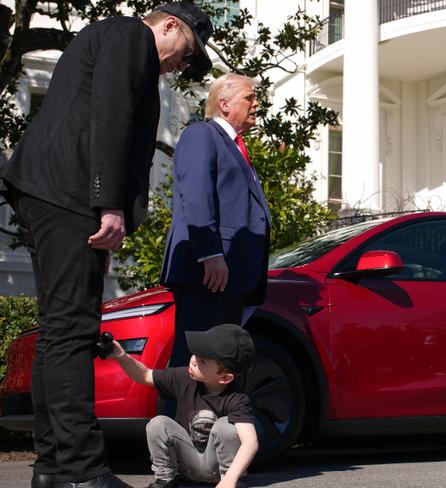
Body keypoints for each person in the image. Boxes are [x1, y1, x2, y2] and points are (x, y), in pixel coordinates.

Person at [0, 3, 213, 488]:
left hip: (50, 193)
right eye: (187, 53)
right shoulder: (128, 37)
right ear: (168, 25)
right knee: (74, 332)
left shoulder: (110, 38)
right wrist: (109, 203)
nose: (183, 65)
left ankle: (54, 468)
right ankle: (80, 471)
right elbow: (112, 115)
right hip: (70, 195)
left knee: (60, 332)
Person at [160, 73, 271, 368]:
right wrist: (210, 253)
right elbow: (196, 195)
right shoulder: (202, 134)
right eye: (250, 97)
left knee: (218, 365)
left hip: (231, 275)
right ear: (224, 103)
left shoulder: (236, 146)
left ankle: (207, 416)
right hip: (208, 273)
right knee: (194, 363)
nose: (256, 104)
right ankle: (175, 416)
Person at [109, 324, 258, 488]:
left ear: (224, 378)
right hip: (188, 466)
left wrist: (229, 480)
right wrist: (121, 356)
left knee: (227, 426)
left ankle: (231, 482)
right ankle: (166, 480)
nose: (193, 360)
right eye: (195, 354)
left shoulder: (237, 399)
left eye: (203, 361)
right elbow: (144, 375)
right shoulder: (184, 377)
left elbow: (250, 442)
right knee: (159, 423)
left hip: (220, 473)